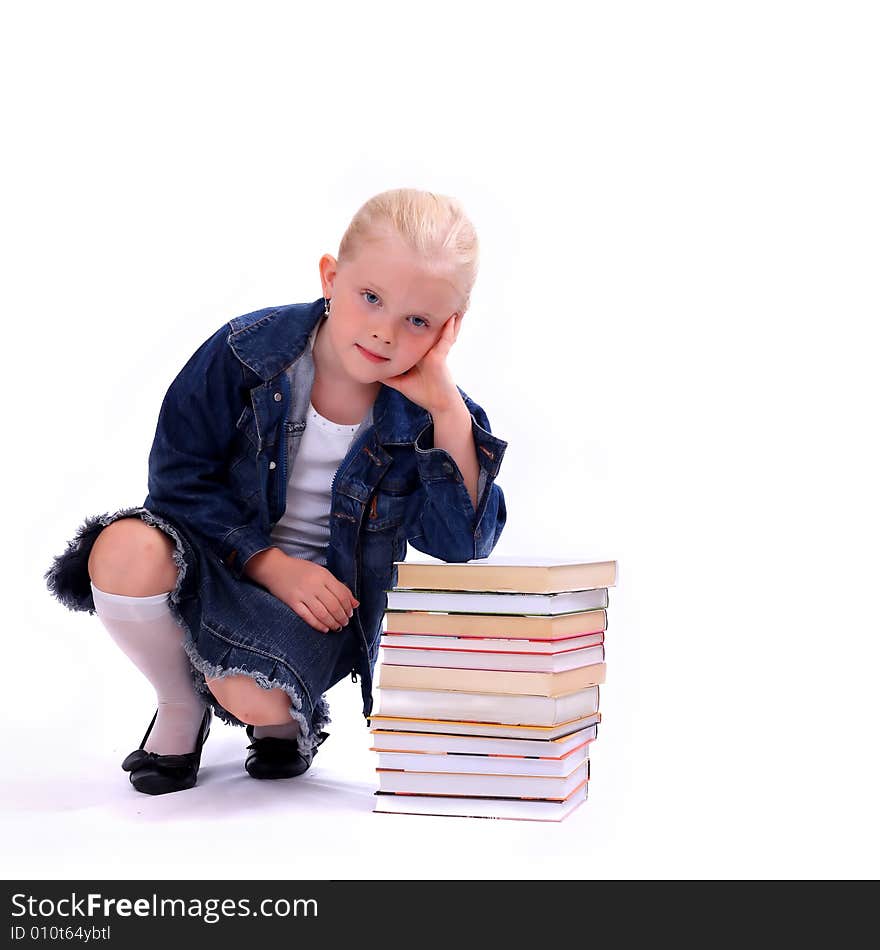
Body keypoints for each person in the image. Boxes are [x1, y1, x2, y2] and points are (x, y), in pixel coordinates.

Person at [44, 187, 509, 796]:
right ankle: (180, 708)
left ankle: (284, 711)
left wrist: (446, 407)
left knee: (255, 698)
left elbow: (462, 543)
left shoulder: (433, 416)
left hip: (317, 603)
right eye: (370, 298)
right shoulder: (247, 352)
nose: (385, 332)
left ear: (448, 328)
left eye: (417, 321)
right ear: (331, 277)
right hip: (218, 560)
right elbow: (177, 479)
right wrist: (268, 562)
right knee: (122, 549)